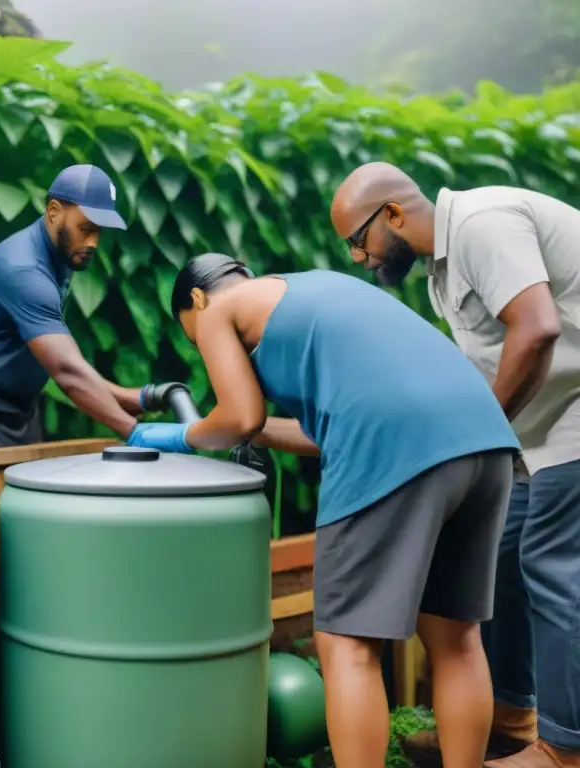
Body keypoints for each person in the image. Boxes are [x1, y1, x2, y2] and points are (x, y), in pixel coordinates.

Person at [128, 253, 520, 768]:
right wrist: (256, 429)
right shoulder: (314, 291)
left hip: (397, 445)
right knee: (455, 637)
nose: (205, 347)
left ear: (198, 300)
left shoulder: (221, 309)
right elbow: (318, 426)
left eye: (194, 338)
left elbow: (240, 416)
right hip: (484, 439)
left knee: (346, 644)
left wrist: (181, 434)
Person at [330, 162, 580, 768]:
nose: (360, 259)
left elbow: (539, 328)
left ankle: (567, 748)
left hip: (574, 416)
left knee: (549, 562)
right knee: (497, 553)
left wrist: (483, 433)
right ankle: (513, 715)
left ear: (392, 214)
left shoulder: (481, 224)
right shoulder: (440, 273)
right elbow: (480, 368)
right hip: (539, 431)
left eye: (358, 241)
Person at [0, 164, 150, 452]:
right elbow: (67, 371)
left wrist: (133, 397)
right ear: (54, 212)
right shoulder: (24, 271)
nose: (92, 242)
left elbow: (66, 361)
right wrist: (136, 432)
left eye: (99, 232)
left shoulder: (61, 252)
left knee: (26, 496)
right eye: (86, 228)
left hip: (18, 408)